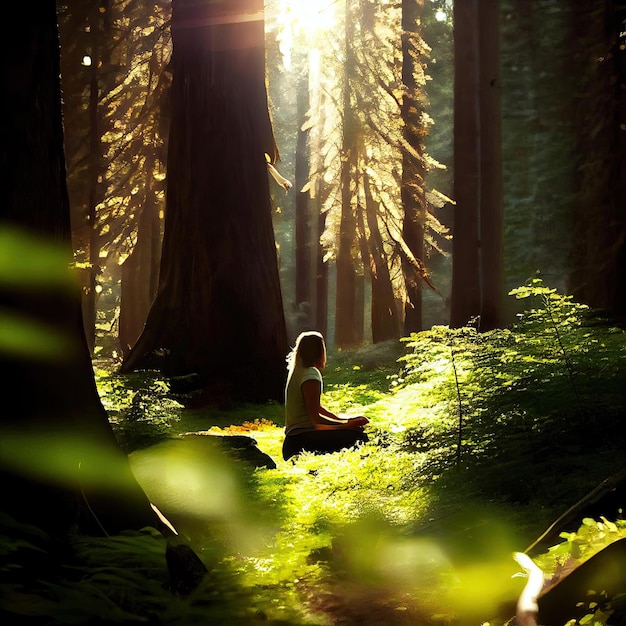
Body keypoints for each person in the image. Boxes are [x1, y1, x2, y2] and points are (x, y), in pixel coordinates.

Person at [282, 331, 369, 461]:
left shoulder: (298, 371)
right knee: (360, 436)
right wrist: (346, 425)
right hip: (303, 440)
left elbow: (316, 408)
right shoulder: (310, 374)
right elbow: (315, 419)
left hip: (295, 441)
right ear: (319, 351)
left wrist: (344, 420)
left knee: (354, 431)